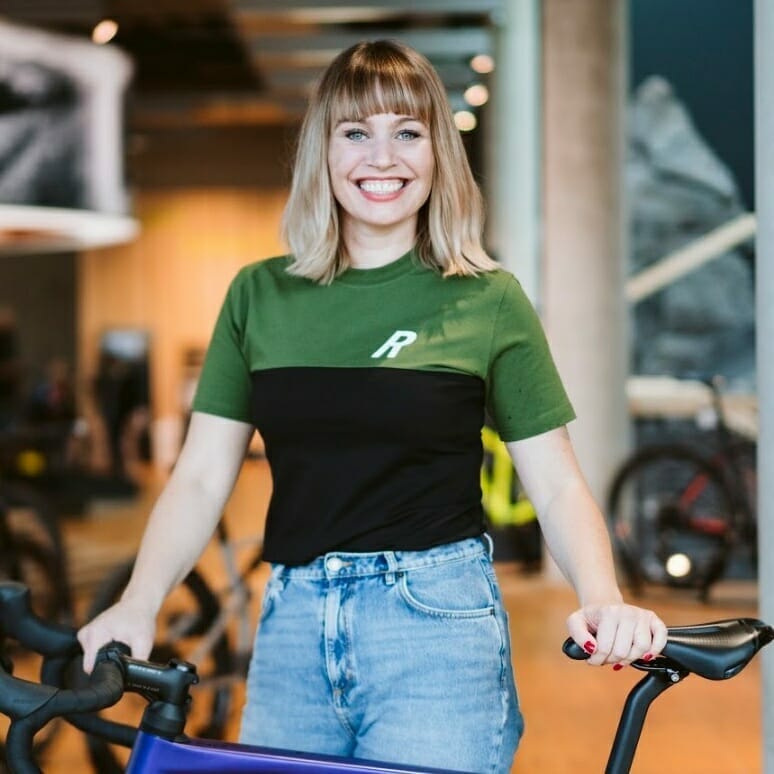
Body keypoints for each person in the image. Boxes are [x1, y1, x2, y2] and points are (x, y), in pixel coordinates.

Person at [78, 39, 667, 773]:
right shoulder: (260, 296)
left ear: (437, 153)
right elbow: (199, 477)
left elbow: (555, 480)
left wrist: (603, 595)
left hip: (435, 630)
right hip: (292, 624)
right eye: (356, 132)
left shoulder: (487, 299)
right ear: (322, 152)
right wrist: (137, 602)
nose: (380, 157)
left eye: (408, 133)